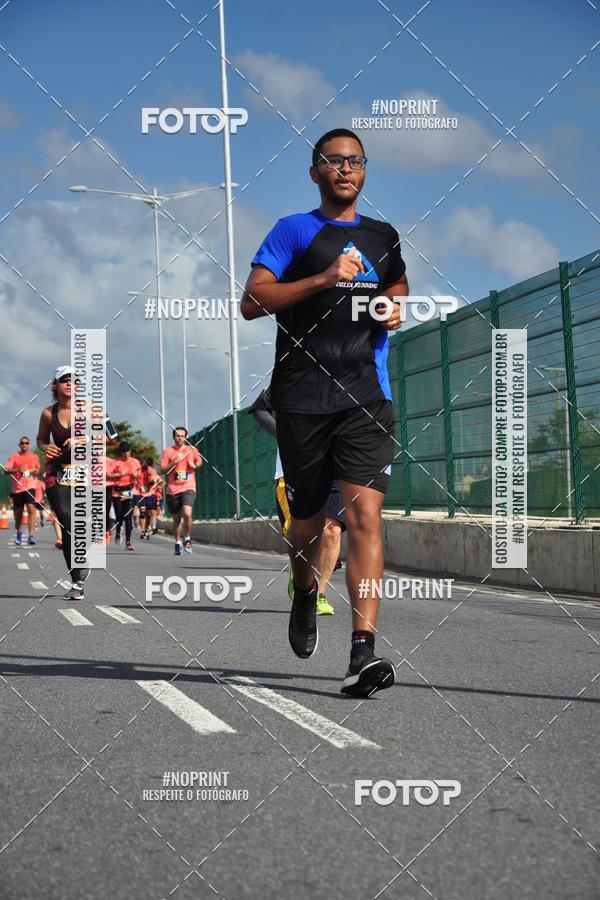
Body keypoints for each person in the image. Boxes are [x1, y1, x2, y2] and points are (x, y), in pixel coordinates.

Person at [241, 128, 408, 696]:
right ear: (315, 172)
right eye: (333, 161)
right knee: (309, 523)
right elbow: (252, 302)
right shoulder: (293, 231)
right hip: (303, 397)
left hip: (366, 395)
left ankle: (363, 653)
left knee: (363, 519)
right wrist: (323, 278)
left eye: (354, 161)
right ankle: (305, 592)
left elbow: (398, 281)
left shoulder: (383, 236)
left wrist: (394, 306)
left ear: (364, 171)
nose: (344, 168)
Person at [250, 386, 342, 616]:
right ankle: (301, 573)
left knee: (332, 532)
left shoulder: (348, 375)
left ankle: (319, 595)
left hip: (335, 468)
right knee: (301, 534)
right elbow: (259, 408)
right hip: (293, 471)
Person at [36, 366, 88, 599]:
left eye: (74, 380)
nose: (70, 383)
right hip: (56, 474)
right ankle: (77, 580)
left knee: (77, 526)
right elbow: (40, 439)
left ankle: (78, 565)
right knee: (66, 521)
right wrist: (46, 447)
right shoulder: (48, 413)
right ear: (55, 385)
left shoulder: (90, 409)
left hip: (84, 474)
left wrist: (83, 439)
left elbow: (111, 437)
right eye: (65, 379)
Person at [160, 427, 202, 556]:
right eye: (178, 436)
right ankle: (178, 542)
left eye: (183, 436)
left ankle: (188, 539)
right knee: (177, 518)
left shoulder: (192, 450)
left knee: (187, 513)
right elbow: (162, 470)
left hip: (188, 486)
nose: (180, 438)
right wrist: (174, 462)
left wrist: (195, 465)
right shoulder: (167, 451)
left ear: (186, 437)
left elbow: (199, 461)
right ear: (174, 437)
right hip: (173, 489)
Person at [5, 436, 40, 545]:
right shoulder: (14, 456)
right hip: (18, 488)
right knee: (19, 513)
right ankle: (19, 533)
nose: (24, 445)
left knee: (31, 508)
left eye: (26, 443)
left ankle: (30, 535)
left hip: (30, 486)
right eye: (22, 443)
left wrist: (32, 471)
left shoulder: (34, 457)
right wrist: (17, 470)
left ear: (29, 444)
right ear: (19, 444)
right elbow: (7, 470)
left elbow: (38, 471)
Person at [112, 441, 142, 550]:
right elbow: (109, 476)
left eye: (128, 451)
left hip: (129, 491)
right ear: (121, 452)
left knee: (128, 516)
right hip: (117, 492)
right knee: (119, 516)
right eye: (124, 452)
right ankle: (118, 530)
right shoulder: (115, 462)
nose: (126, 454)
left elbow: (139, 476)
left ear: (130, 451)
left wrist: (136, 475)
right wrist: (117, 474)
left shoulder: (135, 462)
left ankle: (128, 542)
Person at [138, 457, 160, 540]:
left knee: (150, 513)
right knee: (143, 513)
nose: (143, 464)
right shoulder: (139, 470)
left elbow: (152, 482)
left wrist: (150, 475)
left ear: (148, 464)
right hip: (141, 494)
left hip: (150, 495)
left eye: (144, 462)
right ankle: (143, 531)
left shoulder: (152, 471)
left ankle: (148, 529)